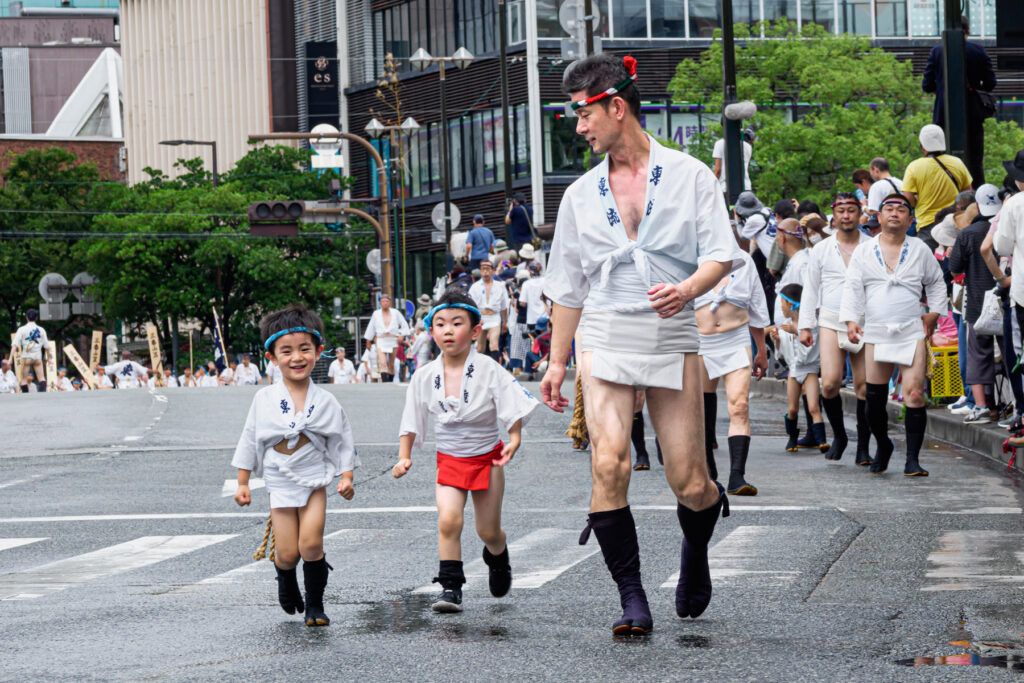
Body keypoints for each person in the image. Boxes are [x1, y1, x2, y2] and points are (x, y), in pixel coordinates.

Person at [540, 54, 738, 636]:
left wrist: (689, 289)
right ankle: (632, 597)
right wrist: (556, 362)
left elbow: (719, 254)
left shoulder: (688, 174)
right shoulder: (580, 194)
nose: (578, 128)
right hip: (605, 328)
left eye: (582, 114)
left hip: (672, 325)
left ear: (615, 107)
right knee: (609, 461)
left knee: (689, 479)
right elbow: (568, 288)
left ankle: (695, 549)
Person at [393, 289, 537, 613]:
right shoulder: (424, 376)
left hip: (488, 458)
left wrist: (514, 438)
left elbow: (512, 406)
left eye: (456, 323)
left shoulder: (488, 368)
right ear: (431, 331)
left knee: (487, 530)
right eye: (440, 323)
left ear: (474, 331)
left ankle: (498, 556)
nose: (447, 330)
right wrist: (405, 456)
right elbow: (411, 420)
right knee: (448, 521)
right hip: (450, 461)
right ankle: (450, 587)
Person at [231, 304, 358, 627]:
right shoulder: (264, 399)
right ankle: (285, 579)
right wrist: (243, 482)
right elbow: (250, 438)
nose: (296, 357)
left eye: (304, 349)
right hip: (279, 478)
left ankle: (316, 604)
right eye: (286, 351)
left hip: (315, 477)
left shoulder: (327, 401)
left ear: (318, 351)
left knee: (311, 543)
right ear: (271, 356)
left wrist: (346, 476)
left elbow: (342, 440)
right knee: (288, 553)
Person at [841, 194, 946, 477]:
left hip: (911, 330)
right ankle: (883, 444)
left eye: (902, 210)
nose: (895, 214)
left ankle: (912, 459)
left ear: (910, 219)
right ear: (880, 216)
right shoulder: (864, 251)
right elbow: (852, 287)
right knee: (873, 399)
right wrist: (851, 320)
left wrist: (934, 313)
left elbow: (937, 283)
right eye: (889, 209)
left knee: (914, 395)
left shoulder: (920, 249)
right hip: (876, 331)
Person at [799, 193, 873, 465]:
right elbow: (810, 288)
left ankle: (863, 446)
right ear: (834, 216)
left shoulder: (871, 245)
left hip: (863, 319)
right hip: (830, 318)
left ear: (858, 214)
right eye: (841, 211)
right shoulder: (821, 249)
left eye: (851, 211)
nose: (846, 216)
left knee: (863, 388)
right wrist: (804, 325)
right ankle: (840, 435)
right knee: (829, 384)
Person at [694, 250, 769, 494]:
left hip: (736, 338)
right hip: (699, 342)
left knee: (739, 405)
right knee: (700, 408)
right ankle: (707, 467)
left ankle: (737, 476)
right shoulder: (689, 254)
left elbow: (756, 304)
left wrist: (761, 350)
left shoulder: (744, 260)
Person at [922, 15, 996, 187]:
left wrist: (941, 90)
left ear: (944, 33)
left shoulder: (937, 52)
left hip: (944, 115)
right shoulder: (979, 51)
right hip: (973, 115)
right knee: (975, 162)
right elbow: (991, 82)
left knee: (940, 159)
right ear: (968, 31)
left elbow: (926, 85)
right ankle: (976, 199)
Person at [949, 184, 1002, 424]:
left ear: (977, 206)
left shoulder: (967, 234)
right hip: (1007, 300)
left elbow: (955, 268)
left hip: (977, 303)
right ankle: (1017, 407)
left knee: (977, 354)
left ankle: (981, 407)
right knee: (1013, 356)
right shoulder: (1006, 226)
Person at [771, 218, 825, 450]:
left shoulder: (802, 264)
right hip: (790, 340)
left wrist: (798, 326)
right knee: (795, 402)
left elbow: (808, 301)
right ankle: (804, 436)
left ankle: (816, 436)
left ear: (781, 238)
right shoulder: (797, 262)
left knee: (810, 397)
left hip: (801, 339)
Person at [902, 124, 972, 248]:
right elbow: (968, 195)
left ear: (923, 146)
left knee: (927, 264)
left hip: (927, 225)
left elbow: (908, 200)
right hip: (954, 223)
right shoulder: (957, 163)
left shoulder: (914, 167)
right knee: (953, 264)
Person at [778, 284, 827, 452]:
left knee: (814, 406)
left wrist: (797, 331)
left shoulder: (811, 323)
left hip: (809, 368)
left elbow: (811, 347)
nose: (781, 309)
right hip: (793, 370)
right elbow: (783, 354)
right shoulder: (785, 324)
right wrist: (778, 340)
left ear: (790, 304)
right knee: (792, 409)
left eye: (782, 304)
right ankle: (792, 439)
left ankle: (821, 440)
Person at [468, 259, 509, 363]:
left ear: (492, 271)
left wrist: (505, 322)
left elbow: (504, 306)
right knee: (480, 348)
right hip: (481, 317)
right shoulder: (475, 287)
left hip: (494, 317)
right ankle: (480, 369)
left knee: (494, 345)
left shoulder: (500, 286)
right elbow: (470, 305)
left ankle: (494, 369)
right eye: (483, 270)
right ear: (480, 271)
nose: (485, 272)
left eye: (487, 269)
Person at [363, 294, 411, 384]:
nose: (385, 303)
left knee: (392, 364)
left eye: (387, 301)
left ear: (390, 303)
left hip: (393, 339)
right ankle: (384, 382)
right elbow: (371, 327)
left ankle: (390, 380)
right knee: (383, 362)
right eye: (383, 301)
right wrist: (368, 340)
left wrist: (401, 336)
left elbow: (404, 324)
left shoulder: (395, 312)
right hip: (381, 340)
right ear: (380, 303)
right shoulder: (376, 314)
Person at [9, 309, 49, 393]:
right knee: (41, 377)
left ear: (26, 317)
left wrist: (10, 359)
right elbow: (47, 346)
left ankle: (25, 398)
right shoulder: (41, 330)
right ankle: (43, 397)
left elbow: (14, 345)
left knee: (24, 379)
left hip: (27, 357)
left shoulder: (22, 329)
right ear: (36, 318)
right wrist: (48, 358)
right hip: (37, 357)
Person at [711, 132, 752, 199]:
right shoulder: (747, 146)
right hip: (746, 187)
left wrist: (711, 186)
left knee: (728, 209)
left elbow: (718, 169)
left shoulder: (719, 144)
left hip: (725, 188)